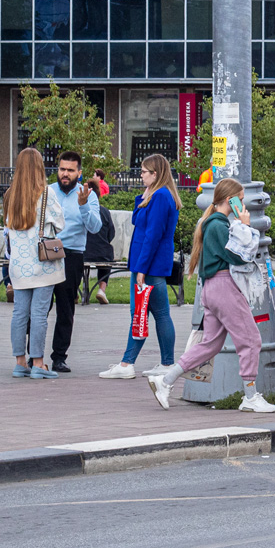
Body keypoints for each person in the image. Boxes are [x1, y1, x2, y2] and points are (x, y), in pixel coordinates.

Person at [146, 178, 275, 414]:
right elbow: (239, 256)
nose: (243, 203)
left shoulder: (212, 223)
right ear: (231, 200)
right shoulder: (219, 225)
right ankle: (250, 396)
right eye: (241, 198)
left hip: (212, 289)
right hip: (224, 287)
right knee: (251, 340)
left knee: (210, 344)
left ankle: (165, 381)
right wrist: (245, 225)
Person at [100, 155, 181, 380]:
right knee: (157, 313)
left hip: (149, 266)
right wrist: (143, 196)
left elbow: (153, 235)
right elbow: (138, 220)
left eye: (144, 171)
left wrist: (142, 269)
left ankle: (127, 364)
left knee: (141, 313)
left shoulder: (161, 196)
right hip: (148, 264)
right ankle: (166, 363)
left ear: (155, 174)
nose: (141, 175)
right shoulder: (156, 195)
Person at [3, 148, 64, 380]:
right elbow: (60, 224)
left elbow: (7, 227)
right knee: (39, 314)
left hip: (18, 265)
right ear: (39, 167)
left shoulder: (10, 195)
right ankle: (38, 363)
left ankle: (20, 362)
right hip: (42, 264)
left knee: (19, 313)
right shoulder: (47, 193)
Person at [47, 150, 102, 374]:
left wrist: (83, 205)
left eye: (70, 170)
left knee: (66, 306)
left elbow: (96, 227)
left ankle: (59, 356)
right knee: (40, 306)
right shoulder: (47, 192)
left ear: (79, 172)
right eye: (62, 169)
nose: (65, 174)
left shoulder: (87, 195)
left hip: (72, 254)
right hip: (48, 250)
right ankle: (33, 356)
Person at [86, 201, 117, 305]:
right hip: (102, 252)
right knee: (107, 255)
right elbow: (111, 233)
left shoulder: (80, 210)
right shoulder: (104, 211)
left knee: (77, 259)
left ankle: (76, 292)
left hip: (83, 252)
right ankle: (102, 290)